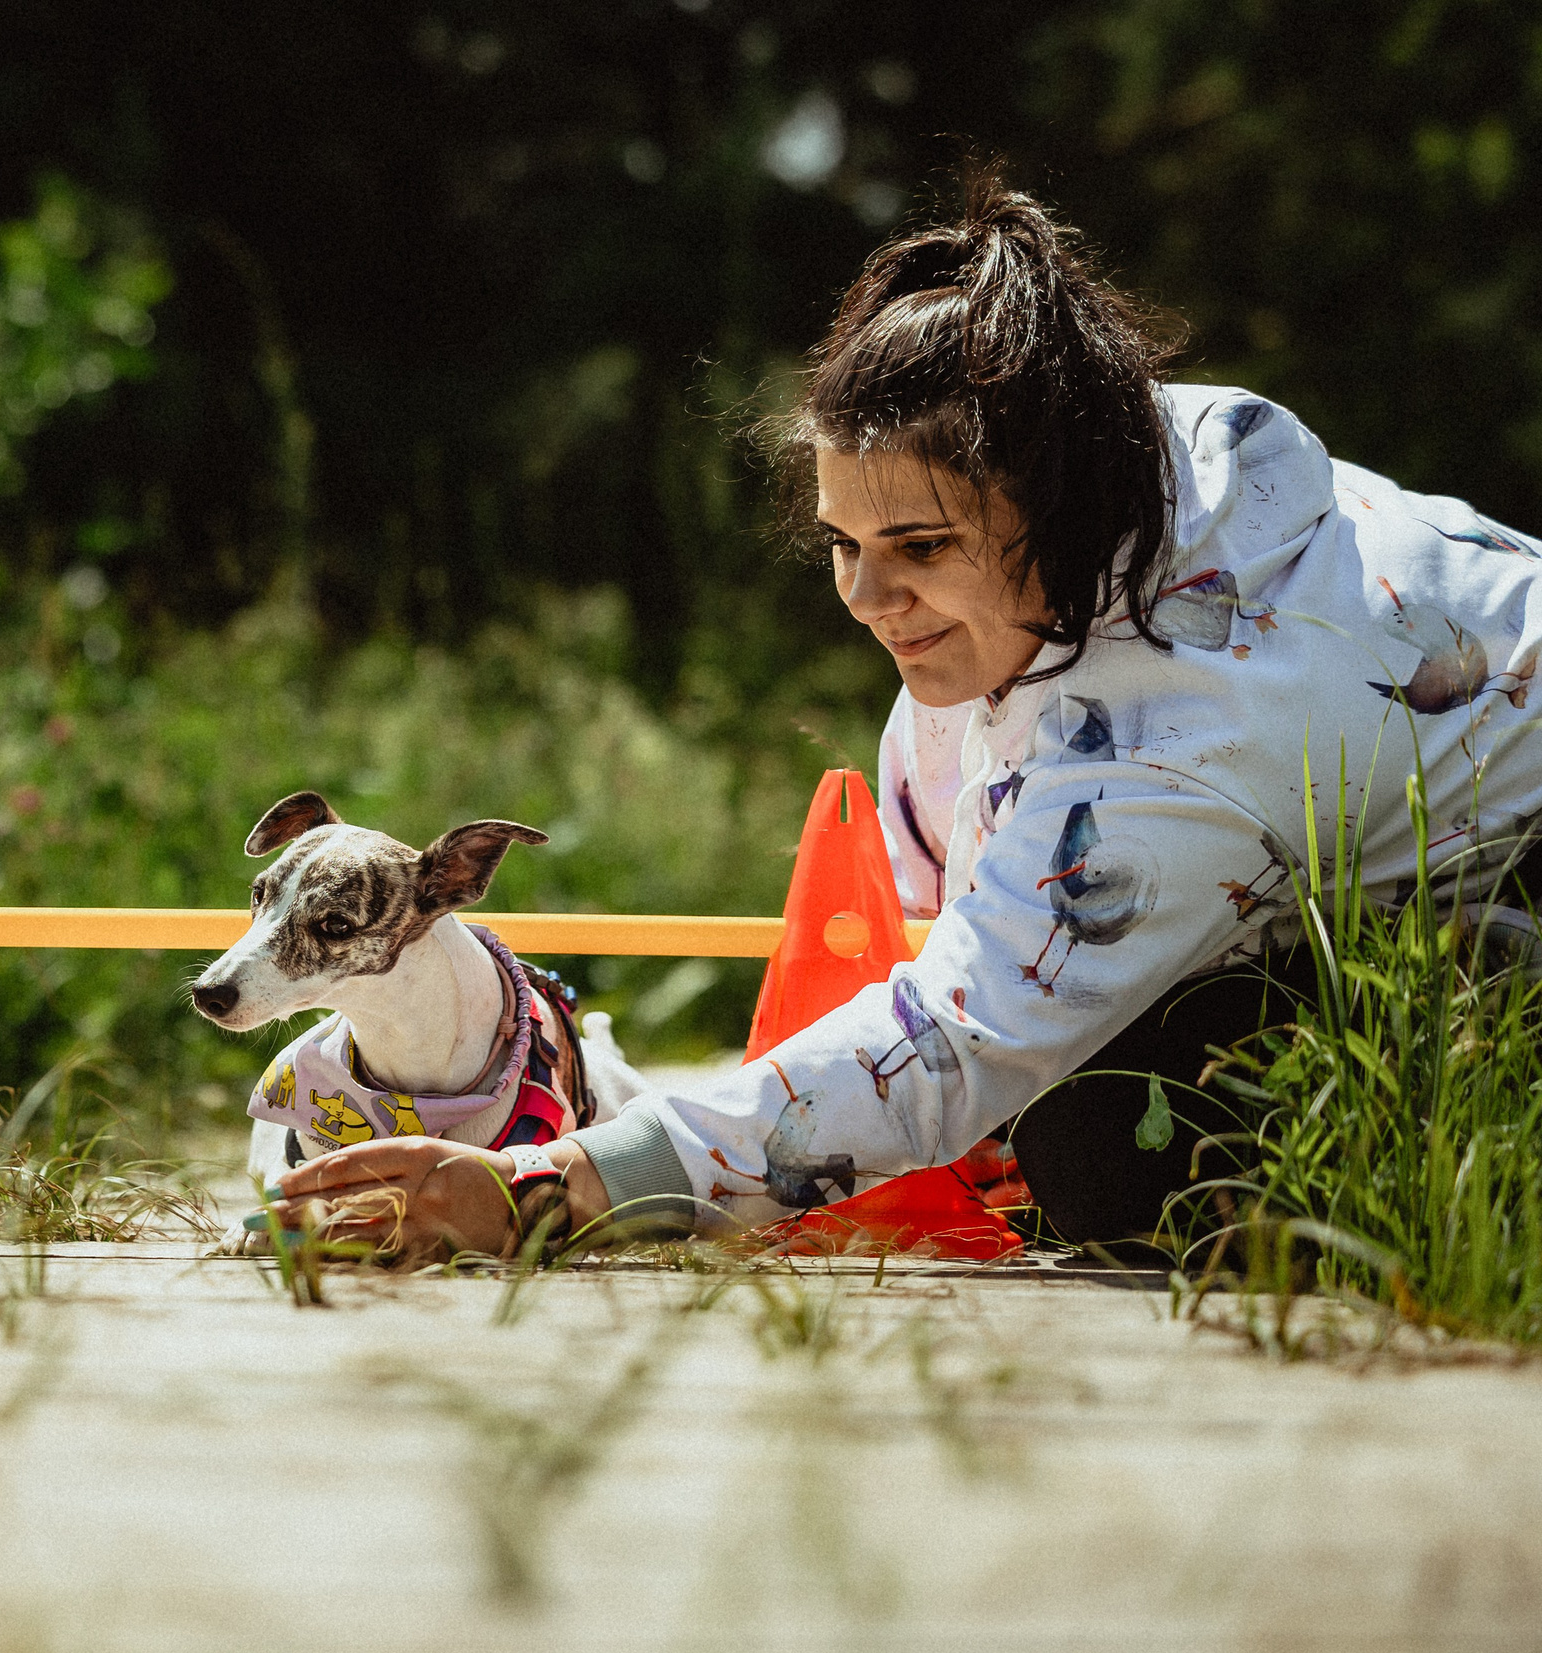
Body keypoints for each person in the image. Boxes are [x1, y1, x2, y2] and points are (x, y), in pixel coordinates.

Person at [266, 170, 1542, 1262]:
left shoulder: (1191, 732)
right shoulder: (1117, 479)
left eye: (919, 547)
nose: (867, 600)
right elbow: (942, 918)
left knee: (1109, 1147)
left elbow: (952, 1039)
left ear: (1061, 510)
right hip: (1369, 858)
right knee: (1063, 1113)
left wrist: (550, 1189)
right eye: (843, 543)